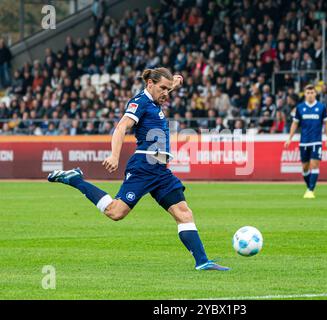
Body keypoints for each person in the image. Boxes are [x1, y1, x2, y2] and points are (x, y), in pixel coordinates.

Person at [47, 67, 229, 271]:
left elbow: (166, 88)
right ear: (149, 83)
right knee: (115, 212)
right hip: (143, 166)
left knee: (183, 212)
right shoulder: (139, 102)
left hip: (160, 170)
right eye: (162, 88)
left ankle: (203, 262)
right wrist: (114, 155)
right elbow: (121, 127)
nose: (166, 93)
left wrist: (175, 83)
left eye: (168, 89)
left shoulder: (156, 97)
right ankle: (75, 180)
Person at [284, 85, 327, 199]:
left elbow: (326, 123)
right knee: (305, 167)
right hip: (304, 142)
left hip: (316, 141)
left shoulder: (321, 107)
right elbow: (295, 123)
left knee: (314, 165)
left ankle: (310, 190)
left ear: (315, 94)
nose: (310, 94)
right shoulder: (300, 108)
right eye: (308, 92)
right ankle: (309, 186)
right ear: (305, 94)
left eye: (312, 92)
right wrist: (289, 138)